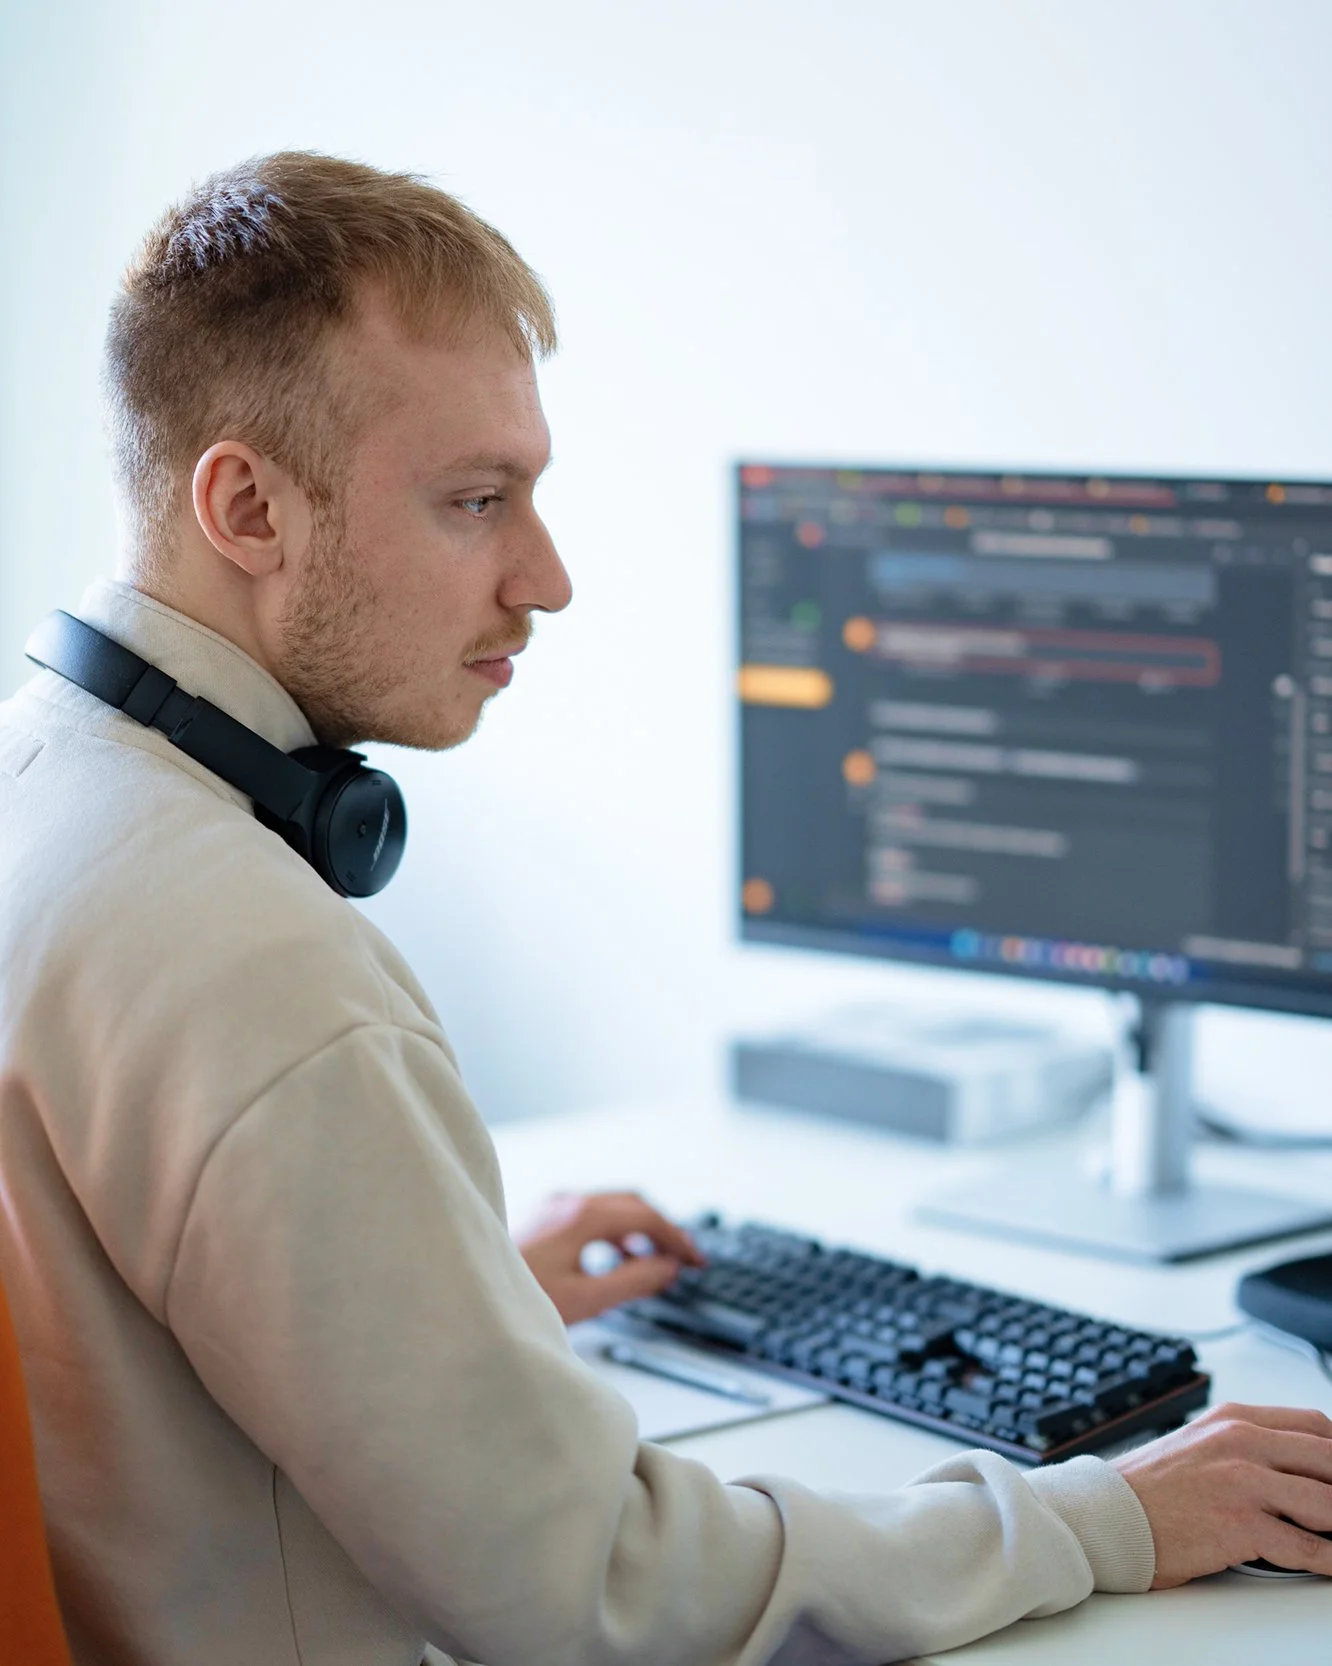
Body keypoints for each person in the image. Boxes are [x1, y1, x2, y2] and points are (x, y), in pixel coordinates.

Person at [1, 152, 1330, 1666]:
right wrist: (1110, 1517)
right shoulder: (264, 971)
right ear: (246, 503)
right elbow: (595, 1591)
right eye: (476, 501)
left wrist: (464, 1294)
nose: (546, 578)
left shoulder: (46, 789)